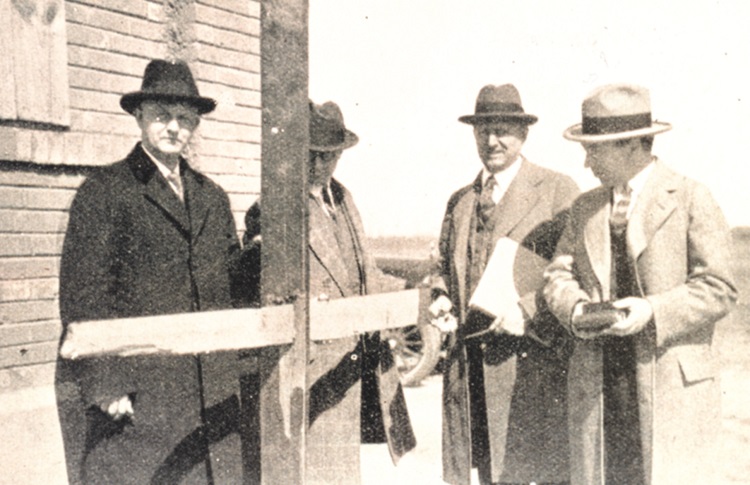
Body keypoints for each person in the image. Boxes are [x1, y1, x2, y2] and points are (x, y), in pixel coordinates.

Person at [56, 59, 242, 484]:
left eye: (183, 118)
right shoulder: (105, 191)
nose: (173, 127)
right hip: (138, 395)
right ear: (139, 117)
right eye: (161, 116)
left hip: (204, 389)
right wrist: (106, 382)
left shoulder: (212, 197)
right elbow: (84, 291)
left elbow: (228, 280)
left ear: (195, 123)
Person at [543, 83, 738, 485]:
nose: (586, 162)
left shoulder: (690, 197)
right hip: (600, 387)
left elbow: (719, 286)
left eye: (594, 149)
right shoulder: (585, 208)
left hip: (669, 390)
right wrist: (576, 309)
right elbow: (558, 275)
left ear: (631, 145)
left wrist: (652, 310)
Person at [238, 100, 416, 484]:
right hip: (310, 378)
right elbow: (260, 286)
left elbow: (366, 276)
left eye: (330, 156)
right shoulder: (274, 208)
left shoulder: (344, 199)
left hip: (350, 374)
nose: (320, 166)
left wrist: (415, 293)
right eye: (312, 156)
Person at [431, 84, 579, 485]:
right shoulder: (460, 201)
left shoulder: (556, 190)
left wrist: (529, 311)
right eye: (483, 131)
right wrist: (441, 295)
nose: (492, 141)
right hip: (469, 375)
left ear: (524, 134)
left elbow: (580, 276)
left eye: (502, 131)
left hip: (530, 373)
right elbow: (443, 267)